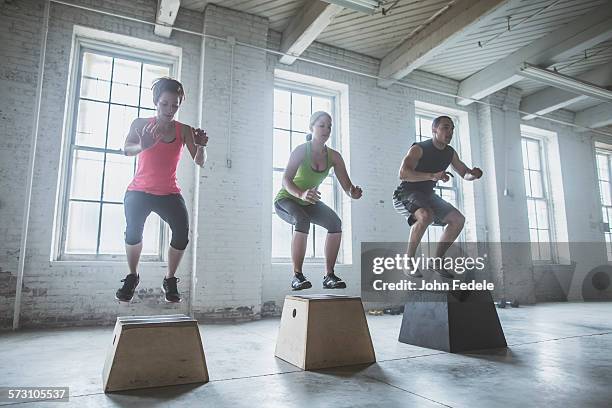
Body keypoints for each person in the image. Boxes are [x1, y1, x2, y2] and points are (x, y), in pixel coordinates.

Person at [115, 77, 208, 303]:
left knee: (181, 235)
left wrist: (202, 146)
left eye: (175, 105)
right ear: (156, 102)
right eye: (165, 104)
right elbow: (126, 149)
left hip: (168, 192)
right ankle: (132, 275)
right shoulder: (140, 124)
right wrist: (142, 146)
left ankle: (170, 279)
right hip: (139, 191)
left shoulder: (184, 130)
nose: (170, 109)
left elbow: (200, 162)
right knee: (133, 231)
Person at [274, 111, 362, 290]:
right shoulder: (301, 150)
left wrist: (353, 193)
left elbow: (347, 187)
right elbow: (286, 180)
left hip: (309, 202)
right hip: (287, 200)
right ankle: (297, 276)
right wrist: (301, 194)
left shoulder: (334, 157)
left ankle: (329, 276)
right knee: (302, 220)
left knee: (335, 223)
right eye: (321, 125)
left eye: (329, 126)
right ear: (311, 127)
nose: (326, 129)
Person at [393, 115, 482, 278]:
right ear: (434, 130)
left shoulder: (450, 153)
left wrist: (473, 175)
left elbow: (464, 173)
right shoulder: (419, 148)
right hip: (406, 193)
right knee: (426, 216)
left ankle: (436, 260)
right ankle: (408, 261)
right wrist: (432, 176)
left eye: (452, 129)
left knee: (458, 220)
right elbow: (403, 174)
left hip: (427, 195)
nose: (450, 132)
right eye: (445, 127)